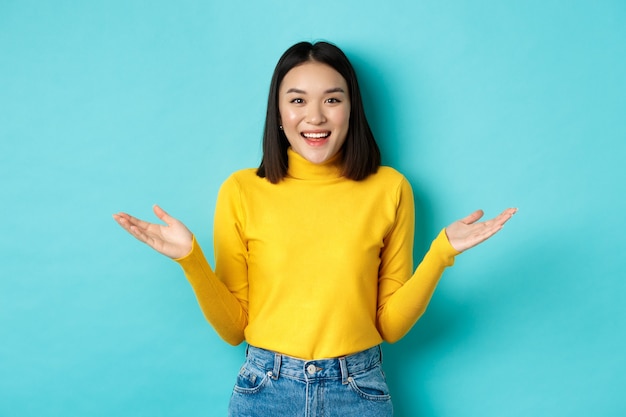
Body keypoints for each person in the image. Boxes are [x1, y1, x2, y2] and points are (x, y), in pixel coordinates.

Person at [113, 41, 516, 417]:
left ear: (351, 109)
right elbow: (235, 329)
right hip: (265, 388)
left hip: (359, 390)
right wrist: (190, 259)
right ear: (279, 113)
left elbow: (390, 326)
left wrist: (441, 254)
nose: (315, 116)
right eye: (298, 100)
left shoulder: (390, 189)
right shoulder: (241, 191)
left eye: (332, 100)